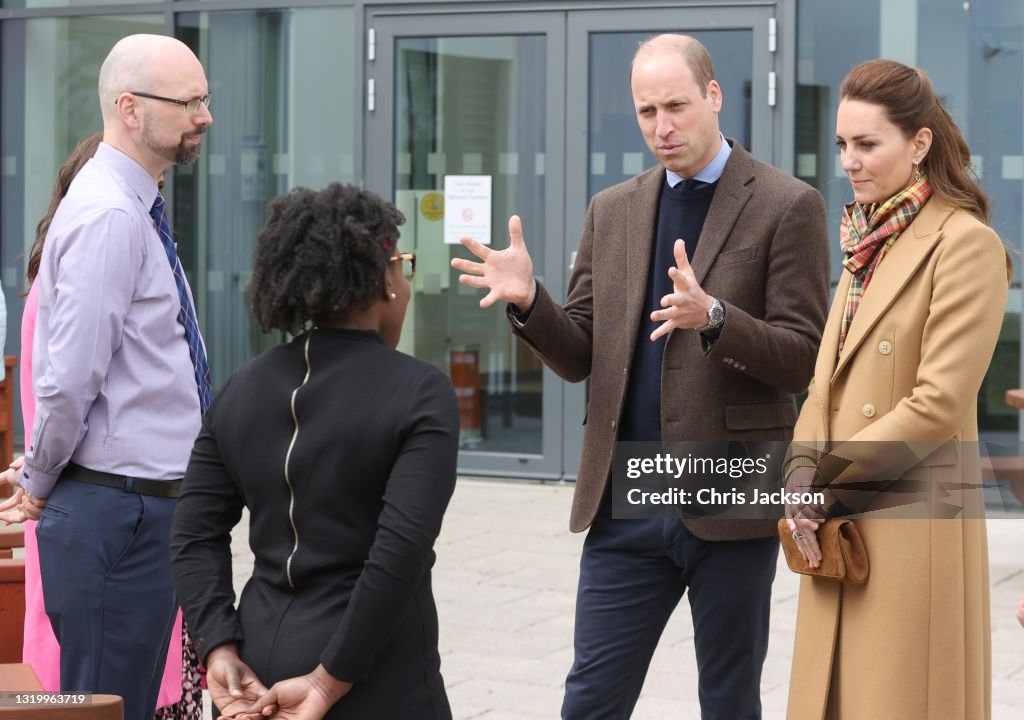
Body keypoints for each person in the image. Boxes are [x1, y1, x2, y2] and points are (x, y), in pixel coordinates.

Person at [452, 33, 830, 719]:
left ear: (714, 97)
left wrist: (716, 317)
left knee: (729, 700)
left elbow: (803, 355)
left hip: (731, 491)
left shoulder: (787, 204)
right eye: (646, 111)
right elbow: (580, 355)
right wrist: (530, 302)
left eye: (676, 106)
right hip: (628, 497)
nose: (662, 126)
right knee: (591, 699)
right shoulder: (613, 209)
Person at [171, 183, 458, 720]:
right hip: (373, 675)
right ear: (384, 279)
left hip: (253, 674)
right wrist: (328, 682)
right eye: (404, 264)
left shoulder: (242, 387)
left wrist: (219, 647)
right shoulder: (421, 391)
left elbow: (193, 531)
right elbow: (399, 554)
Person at [783, 59, 1010, 719]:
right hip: (836, 527)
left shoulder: (965, 245)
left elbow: (936, 403)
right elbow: (824, 380)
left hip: (911, 525)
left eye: (867, 144)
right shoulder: (865, 240)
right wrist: (798, 471)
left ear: (918, 144)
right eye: (842, 145)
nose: (849, 162)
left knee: (897, 698)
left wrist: (824, 481)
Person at [0, 34, 213, 720]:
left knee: (120, 702)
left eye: (205, 99)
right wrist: (36, 483)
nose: (204, 116)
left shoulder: (130, 205)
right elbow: (67, 381)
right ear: (129, 109)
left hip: (132, 510)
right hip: (115, 513)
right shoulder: (110, 215)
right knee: (103, 704)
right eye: (188, 102)